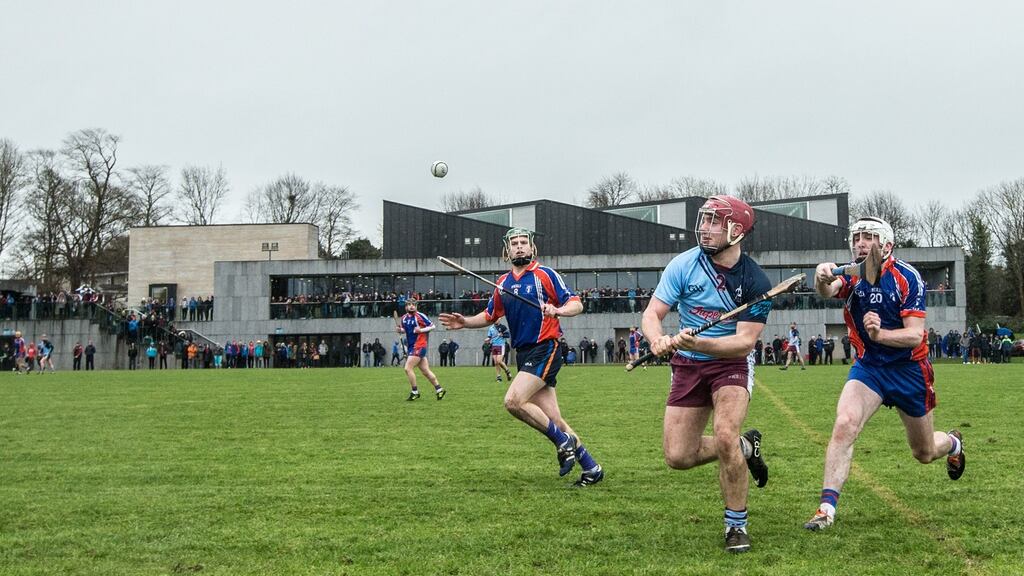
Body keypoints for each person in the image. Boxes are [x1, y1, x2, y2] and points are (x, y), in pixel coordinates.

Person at [804, 216, 965, 532]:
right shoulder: (851, 276)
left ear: (887, 245)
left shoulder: (908, 278)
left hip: (909, 371)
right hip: (869, 369)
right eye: (856, 237)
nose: (860, 242)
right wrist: (821, 276)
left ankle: (954, 444)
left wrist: (880, 335)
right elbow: (826, 290)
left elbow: (915, 335)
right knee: (844, 424)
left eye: (869, 237)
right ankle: (825, 509)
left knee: (924, 452)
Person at [641, 195, 772, 554]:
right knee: (678, 457)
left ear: (736, 230)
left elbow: (743, 343)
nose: (705, 228)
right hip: (687, 364)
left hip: (729, 363)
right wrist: (657, 340)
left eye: (715, 222)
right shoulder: (683, 264)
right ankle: (747, 446)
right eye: (705, 220)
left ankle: (736, 525)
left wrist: (697, 345)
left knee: (724, 434)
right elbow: (653, 313)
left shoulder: (755, 281)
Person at [440, 227, 603, 487]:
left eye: (523, 242)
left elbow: (577, 303)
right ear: (507, 250)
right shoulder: (503, 283)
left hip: (545, 347)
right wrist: (466, 322)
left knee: (513, 401)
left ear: (532, 247)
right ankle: (592, 468)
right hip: (524, 352)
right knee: (554, 419)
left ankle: (564, 441)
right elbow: (490, 314)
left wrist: (557, 310)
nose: (519, 247)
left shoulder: (545, 275)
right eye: (514, 243)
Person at [397, 298, 445, 400]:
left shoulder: (420, 316)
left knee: (407, 368)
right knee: (425, 371)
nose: (411, 306)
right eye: (409, 304)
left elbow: (433, 326)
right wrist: (400, 330)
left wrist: (421, 330)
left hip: (419, 345)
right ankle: (439, 389)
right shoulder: (404, 318)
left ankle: (415, 392)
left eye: (413, 304)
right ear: (406, 307)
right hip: (411, 346)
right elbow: (405, 330)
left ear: (416, 306)